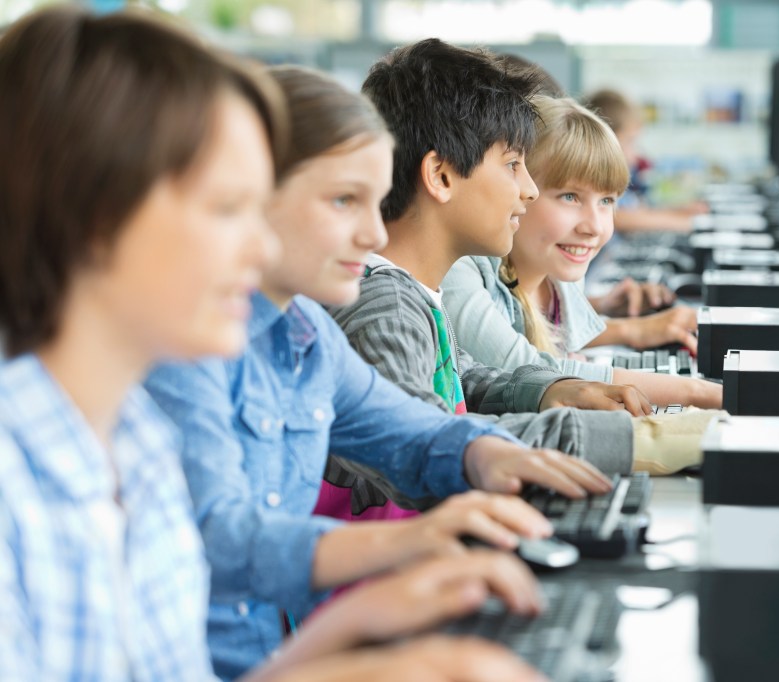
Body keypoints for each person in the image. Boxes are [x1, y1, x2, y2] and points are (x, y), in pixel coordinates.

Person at [0, 7, 547, 682]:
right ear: (95, 216)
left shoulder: (130, 441)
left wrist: (356, 629)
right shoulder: (28, 472)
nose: (259, 246)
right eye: (228, 209)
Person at [143, 63, 610, 679]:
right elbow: (220, 538)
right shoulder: (188, 350)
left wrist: (485, 454)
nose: (371, 232)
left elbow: (412, 430)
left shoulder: (306, 333)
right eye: (343, 201)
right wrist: (407, 544)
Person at [336, 38, 719, 478]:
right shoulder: (388, 305)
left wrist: (554, 390)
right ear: (441, 176)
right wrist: (644, 438)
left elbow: (468, 379)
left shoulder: (418, 294)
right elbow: (424, 444)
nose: (529, 190)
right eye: (513, 165)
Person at [441, 96, 722, 411]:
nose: (595, 227)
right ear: (519, 189)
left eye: (607, 201)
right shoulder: (461, 268)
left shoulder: (558, 274)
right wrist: (700, 393)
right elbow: (538, 374)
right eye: (570, 197)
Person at [582, 88, 707, 233]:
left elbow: (637, 211)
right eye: (630, 141)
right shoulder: (592, 179)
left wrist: (679, 211)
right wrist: (685, 223)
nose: (635, 156)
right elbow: (618, 217)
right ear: (604, 141)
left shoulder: (615, 182)